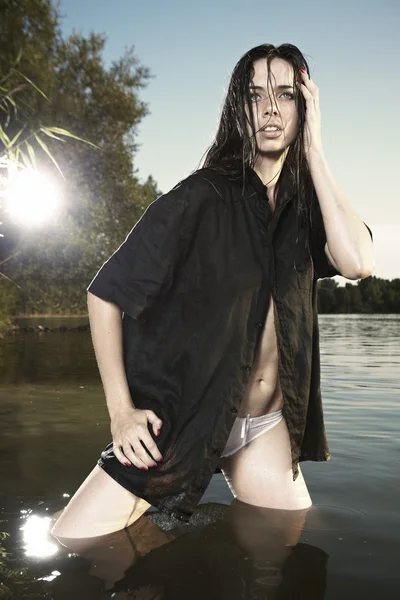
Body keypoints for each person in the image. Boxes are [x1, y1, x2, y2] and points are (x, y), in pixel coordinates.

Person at [51, 43, 374, 540]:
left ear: (304, 107)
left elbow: (358, 262)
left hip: (264, 429)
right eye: (255, 96)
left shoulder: (307, 208)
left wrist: (315, 151)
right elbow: (105, 293)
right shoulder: (199, 196)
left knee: (287, 544)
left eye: (286, 95)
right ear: (237, 109)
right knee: (72, 545)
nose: (270, 108)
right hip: (185, 418)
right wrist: (120, 412)